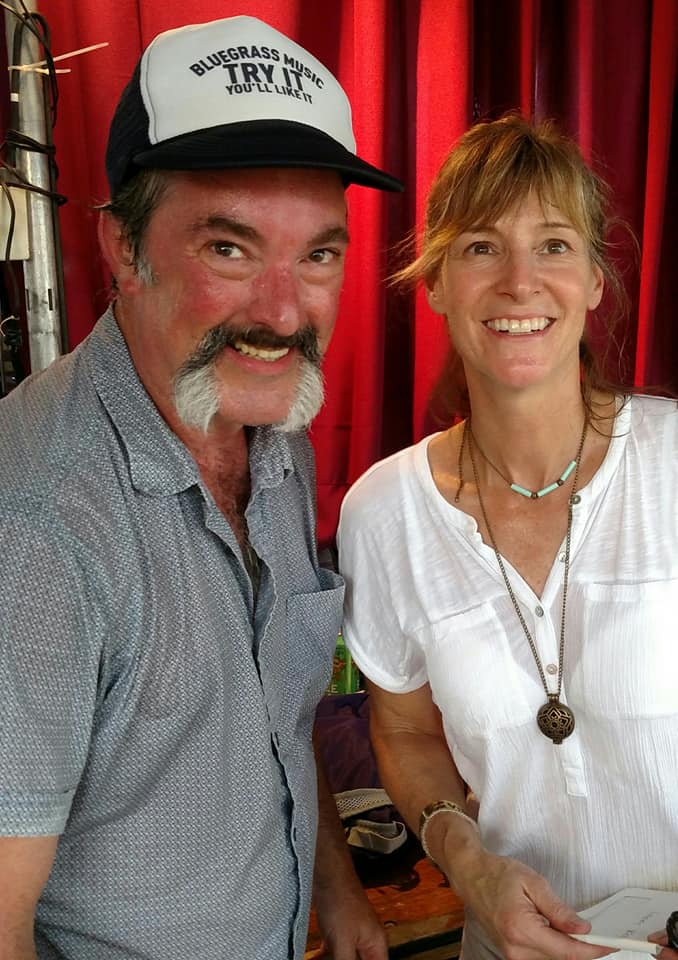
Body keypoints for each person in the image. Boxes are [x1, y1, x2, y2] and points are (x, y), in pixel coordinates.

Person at [0, 15, 402, 960]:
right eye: (228, 248)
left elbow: (280, 708)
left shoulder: (272, 432)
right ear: (122, 250)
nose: (282, 310)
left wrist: (336, 890)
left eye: (318, 255)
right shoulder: (38, 528)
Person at [338, 114, 678, 960]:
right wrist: (465, 860)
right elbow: (407, 732)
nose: (521, 282)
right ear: (437, 283)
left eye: (555, 245)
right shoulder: (383, 511)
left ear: (597, 279)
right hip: (510, 946)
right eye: (482, 247)